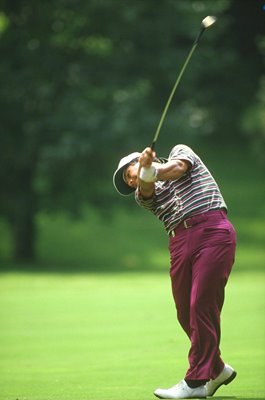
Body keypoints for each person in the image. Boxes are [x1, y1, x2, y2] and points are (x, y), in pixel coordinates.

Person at [113, 144, 237, 399]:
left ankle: (194, 382)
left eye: (130, 172)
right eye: (128, 180)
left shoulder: (181, 152)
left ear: (142, 159)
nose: (132, 179)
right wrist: (146, 171)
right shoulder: (143, 195)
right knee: (185, 313)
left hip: (212, 230)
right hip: (179, 242)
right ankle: (218, 369)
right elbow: (147, 186)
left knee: (201, 304)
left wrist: (151, 167)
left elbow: (177, 168)